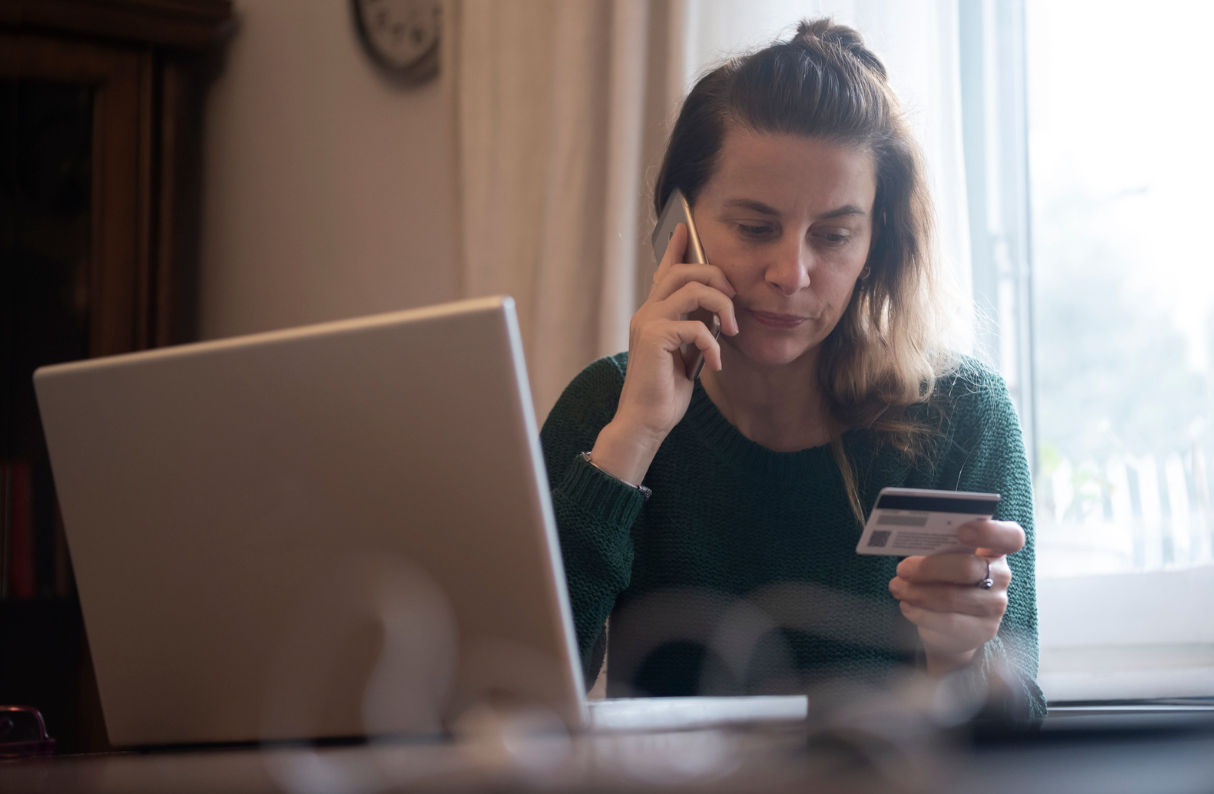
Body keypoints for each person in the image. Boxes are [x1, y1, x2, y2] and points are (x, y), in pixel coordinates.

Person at [540, 18, 1045, 719]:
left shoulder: (961, 417)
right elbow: (514, 692)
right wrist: (633, 439)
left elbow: (1018, 747)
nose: (792, 274)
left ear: (879, 242)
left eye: (834, 236)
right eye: (754, 227)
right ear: (677, 225)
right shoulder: (607, 407)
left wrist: (962, 660)